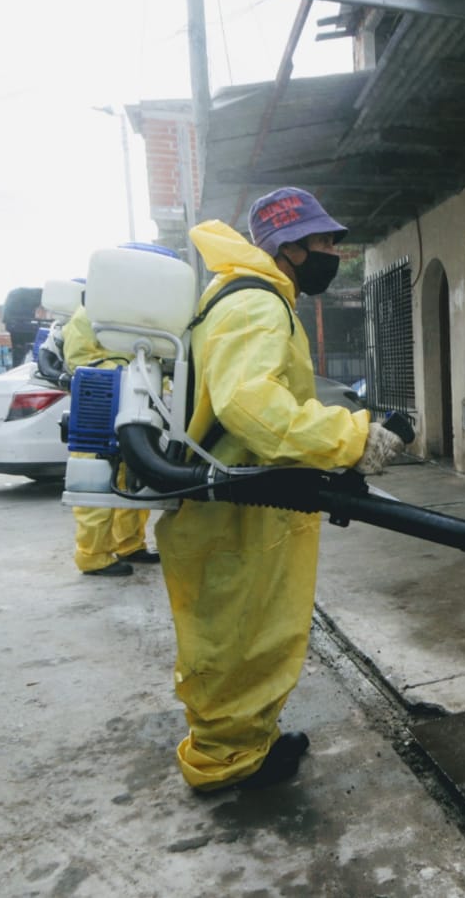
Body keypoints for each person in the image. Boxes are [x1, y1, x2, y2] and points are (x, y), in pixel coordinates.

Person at [155, 187, 405, 793]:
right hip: (235, 508)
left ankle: (245, 744)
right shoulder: (256, 304)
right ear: (288, 247)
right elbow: (251, 406)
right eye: (323, 243)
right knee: (239, 637)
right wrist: (352, 438)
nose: (333, 256)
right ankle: (226, 761)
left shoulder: (246, 297)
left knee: (249, 632)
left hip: (242, 499)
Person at [62, 303, 160, 576]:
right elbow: (79, 359)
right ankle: (92, 556)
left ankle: (129, 544)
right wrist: (131, 374)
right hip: (100, 402)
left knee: (133, 477)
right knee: (97, 481)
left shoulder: (136, 312)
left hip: (136, 402)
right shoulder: (89, 313)